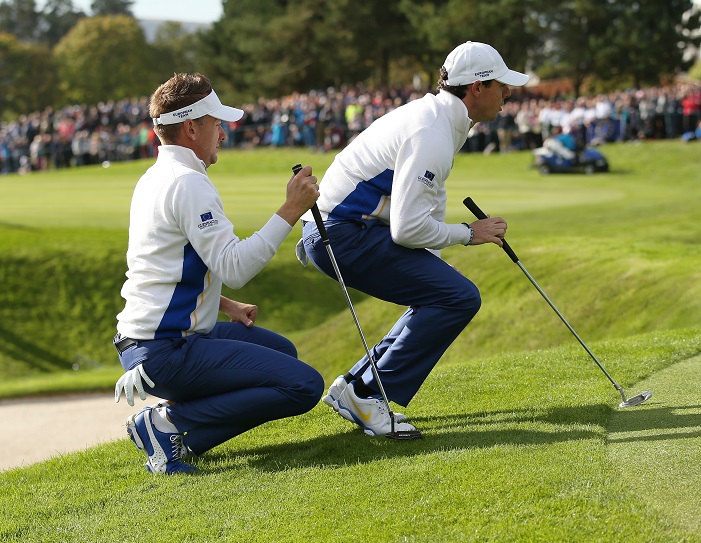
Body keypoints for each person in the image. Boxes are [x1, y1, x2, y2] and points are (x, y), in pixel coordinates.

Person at [297, 41, 528, 437]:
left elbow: (428, 204)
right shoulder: (433, 130)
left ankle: (356, 387)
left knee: (444, 290)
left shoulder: (442, 119)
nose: (508, 93)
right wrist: (469, 234)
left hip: (343, 231)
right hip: (340, 234)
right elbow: (406, 228)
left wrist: (435, 257)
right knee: (459, 296)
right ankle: (368, 393)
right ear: (476, 88)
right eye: (501, 84)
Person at [113, 72, 323, 474]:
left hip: (150, 340)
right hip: (164, 350)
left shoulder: (157, 176)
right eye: (216, 124)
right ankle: (167, 424)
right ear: (192, 128)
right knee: (303, 384)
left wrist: (221, 302)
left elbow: (165, 266)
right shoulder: (188, 183)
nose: (222, 134)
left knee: (283, 354)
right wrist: (290, 210)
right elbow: (237, 266)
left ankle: (177, 430)